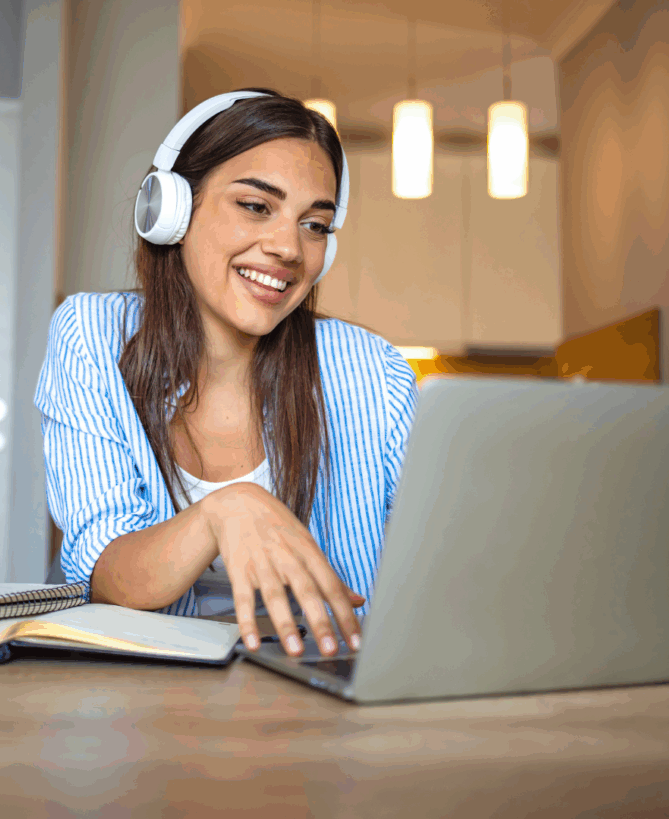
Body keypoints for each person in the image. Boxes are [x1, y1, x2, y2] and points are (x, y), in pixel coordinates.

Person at [35, 89, 417, 658]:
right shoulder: (92, 337)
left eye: (315, 225)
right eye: (257, 206)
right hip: (146, 697)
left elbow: (439, 564)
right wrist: (226, 510)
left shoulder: (373, 370)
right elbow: (106, 572)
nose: (289, 247)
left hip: (327, 690)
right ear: (172, 212)